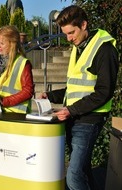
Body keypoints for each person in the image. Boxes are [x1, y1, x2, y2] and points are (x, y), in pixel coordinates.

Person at [37, 5, 119, 190]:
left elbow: (104, 92)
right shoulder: (80, 47)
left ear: (84, 25)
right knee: (82, 172)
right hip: (76, 117)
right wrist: (50, 96)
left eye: (71, 32)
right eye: (65, 34)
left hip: (89, 119)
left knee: (73, 176)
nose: (69, 38)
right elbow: (75, 88)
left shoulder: (104, 49)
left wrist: (71, 110)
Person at [0, 25, 34, 113]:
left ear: (12, 44)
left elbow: (28, 91)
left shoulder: (23, 63)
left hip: (18, 117)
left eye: (2, 43)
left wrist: (3, 101)